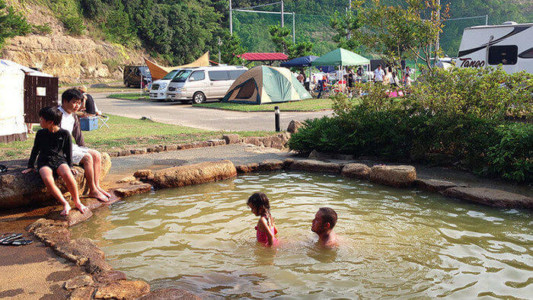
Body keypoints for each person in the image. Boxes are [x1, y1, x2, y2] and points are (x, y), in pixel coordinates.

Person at [22, 107, 88, 216]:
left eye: (41, 119)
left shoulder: (64, 134)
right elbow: (35, 150)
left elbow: (68, 151)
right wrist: (30, 165)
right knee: (47, 178)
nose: (40, 121)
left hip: (59, 160)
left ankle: (77, 202)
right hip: (44, 160)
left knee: (68, 174)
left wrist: (70, 165)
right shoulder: (40, 133)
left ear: (50, 122)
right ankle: (65, 203)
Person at [59, 88, 111, 202]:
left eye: (78, 103)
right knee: (87, 158)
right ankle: (92, 190)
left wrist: (83, 149)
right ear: (64, 101)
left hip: (70, 147)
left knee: (96, 155)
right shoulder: (57, 114)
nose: (77, 106)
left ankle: (96, 186)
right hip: (59, 149)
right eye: (74, 102)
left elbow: (78, 136)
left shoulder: (73, 116)